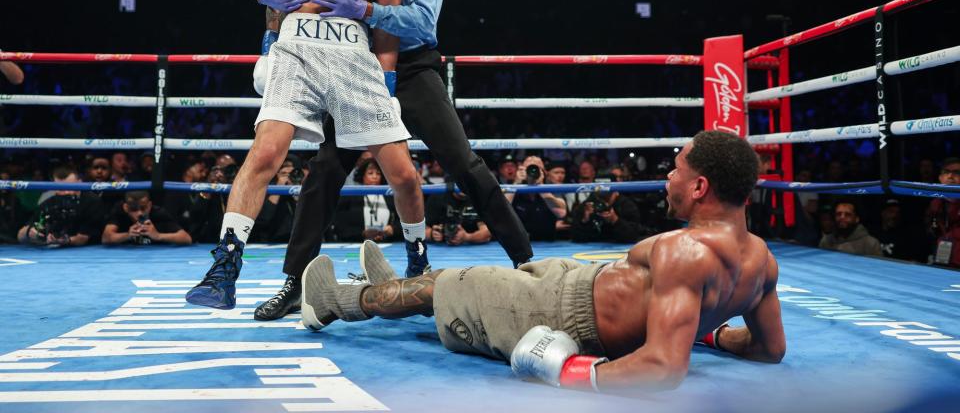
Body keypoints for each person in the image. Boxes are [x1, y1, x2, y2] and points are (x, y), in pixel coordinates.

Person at [251, 0, 532, 321]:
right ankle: (294, 283)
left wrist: (363, 8)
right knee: (324, 171)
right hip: (353, 65)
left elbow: (424, 21)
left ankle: (524, 259)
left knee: (463, 161)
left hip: (415, 67)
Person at [301, 131, 785, 392]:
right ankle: (396, 289)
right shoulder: (760, 260)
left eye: (676, 169)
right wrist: (708, 327)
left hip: (561, 314)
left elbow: (663, 367)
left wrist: (570, 372)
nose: (667, 178)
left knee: (448, 284)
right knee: (480, 280)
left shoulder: (686, 252)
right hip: (578, 284)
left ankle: (336, 301)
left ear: (700, 188)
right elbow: (768, 349)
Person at [186, 0, 426, 310]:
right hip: (296, 46)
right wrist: (266, 40)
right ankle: (225, 267)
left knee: (405, 176)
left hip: (354, 55)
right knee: (267, 152)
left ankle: (418, 264)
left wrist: (388, 82)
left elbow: (387, 32)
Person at [506, 155, 567, 241]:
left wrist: (541, 187)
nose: (533, 172)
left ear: (544, 172)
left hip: (547, 243)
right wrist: (516, 183)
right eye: (529, 168)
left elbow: (561, 213)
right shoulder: (512, 188)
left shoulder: (551, 187)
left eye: (537, 168)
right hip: (517, 242)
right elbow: (500, 211)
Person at [102, 191, 192, 245]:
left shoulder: (158, 213)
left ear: (149, 205)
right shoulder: (119, 212)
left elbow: (186, 238)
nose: (139, 213)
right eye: (134, 209)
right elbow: (105, 238)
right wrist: (127, 235)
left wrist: (158, 236)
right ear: (126, 207)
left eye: (143, 208)